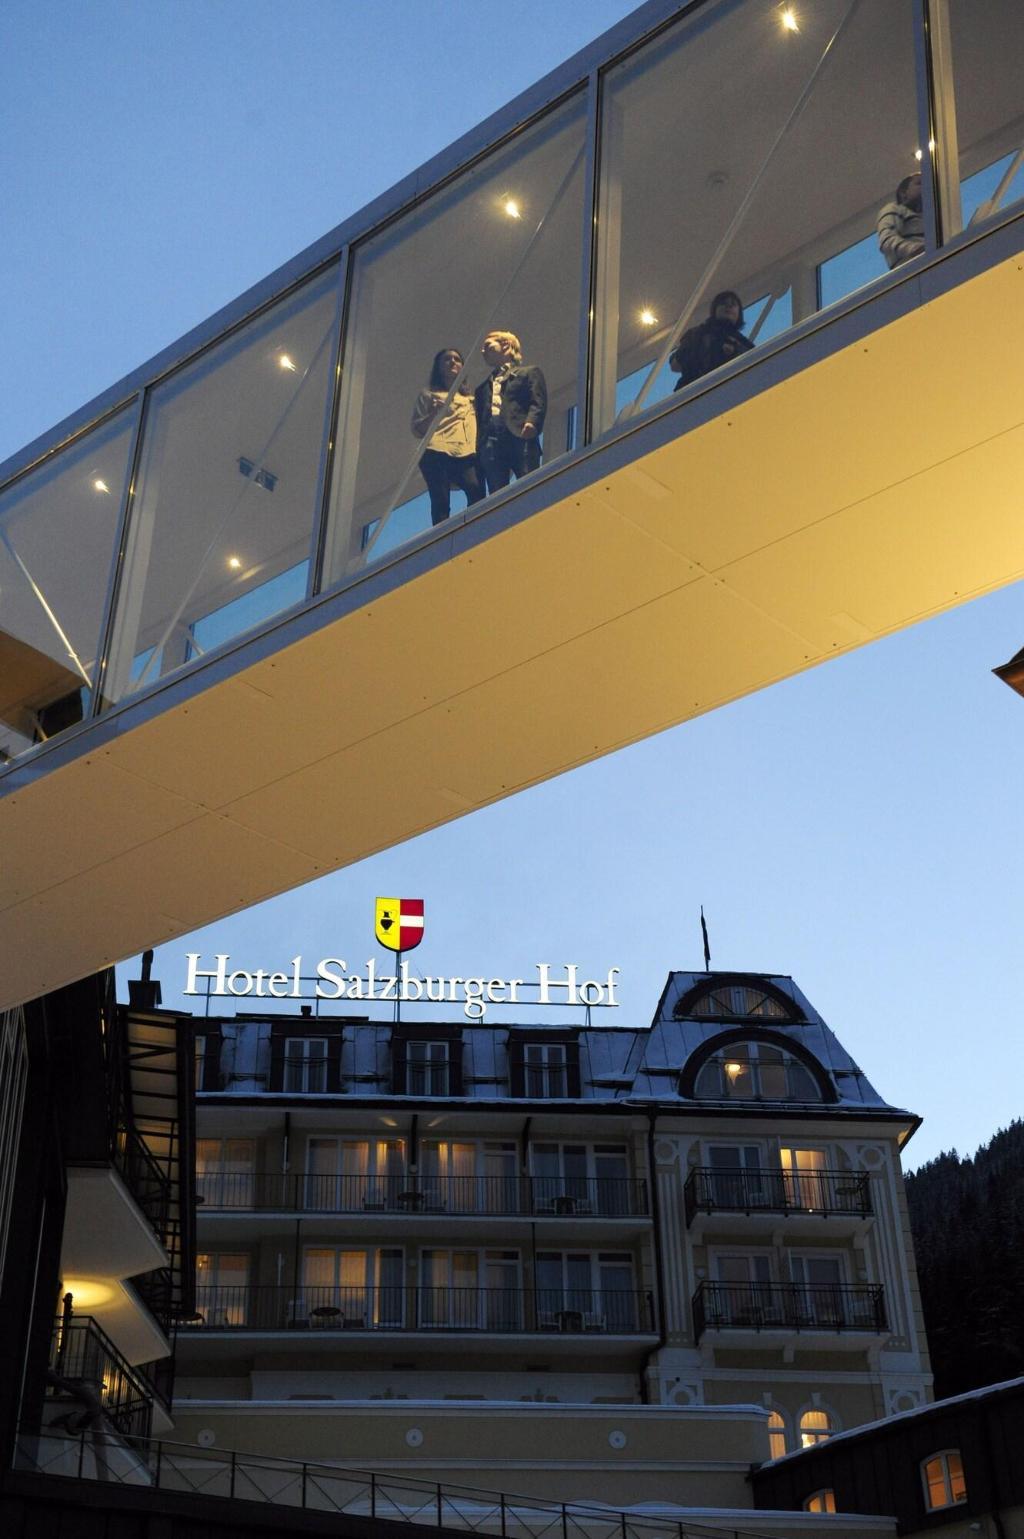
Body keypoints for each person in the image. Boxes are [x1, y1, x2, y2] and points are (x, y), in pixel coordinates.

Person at [410, 348, 485, 526]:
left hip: (467, 453)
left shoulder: (472, 400)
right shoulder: (429, 395)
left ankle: (474, 529)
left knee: (476, 491)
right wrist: (434, 413)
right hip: (438, 451)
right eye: (447, 359)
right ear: (438, 367)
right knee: (441, 501)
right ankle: (442, 534)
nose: (452, 362)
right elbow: (418, 429)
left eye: (457, 359)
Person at [473, 331, 547, 495]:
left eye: (488, 345)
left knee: (528, 482)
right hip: (491, 442)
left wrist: (532, 422)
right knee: (496, 490)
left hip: (520, 433)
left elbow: (538, 401)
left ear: (506, 345)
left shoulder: (528, 373)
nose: (483, 351)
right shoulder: (482, 389)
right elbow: (480, 418)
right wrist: (480, 445)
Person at [669, 291, 753, 391]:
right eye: (723, 303)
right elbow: (675, 365)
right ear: (715, 309)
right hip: (695, 391)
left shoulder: (744, 344)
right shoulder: (697, 334)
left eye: (733, 304)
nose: (728, 306)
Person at [876, 172, 925, 269]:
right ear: (903, 193)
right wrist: (915, 249)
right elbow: (887, 239)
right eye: (919, 183)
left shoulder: (929, 216)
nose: (925, 187)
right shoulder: (894, 208)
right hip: (911, 268)